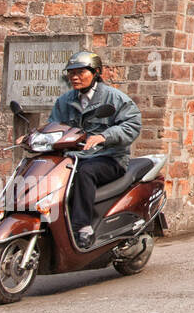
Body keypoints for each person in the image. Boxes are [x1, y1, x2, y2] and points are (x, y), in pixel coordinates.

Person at [48, 51, 142, 249]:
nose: (74, 77)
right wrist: (34, 137)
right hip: (75, 157)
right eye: (71, 73)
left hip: (109, 158)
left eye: (81, 72)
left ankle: (83, 227)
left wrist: (105, 136)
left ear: (96, 72)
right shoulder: (64, 101)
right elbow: (54, 126)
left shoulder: (115, 98)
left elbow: (132, 125)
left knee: (85, 173)